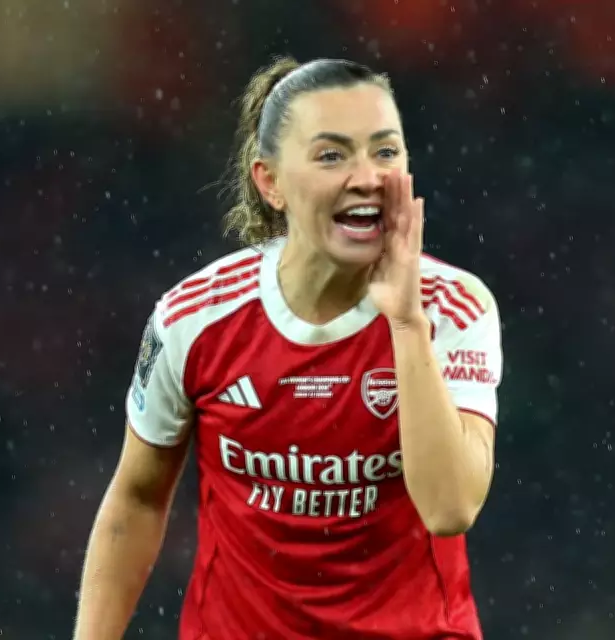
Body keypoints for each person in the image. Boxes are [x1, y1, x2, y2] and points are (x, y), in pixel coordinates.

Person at [73, 56, 503, 640]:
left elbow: (450, 508)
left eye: (385, 151)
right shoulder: (194, 318)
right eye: (332, 155)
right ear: (269, 181)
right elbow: (138, 499)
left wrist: (405, 323)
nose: (367, 177)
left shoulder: (453, 308)